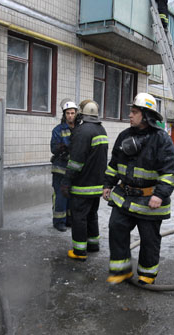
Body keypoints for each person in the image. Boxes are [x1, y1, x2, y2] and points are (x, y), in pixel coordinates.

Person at [103, 93, 174, 285]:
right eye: (131, 112)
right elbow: (114, 164)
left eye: (134, 112)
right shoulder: (124, 136)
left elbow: (170, 171)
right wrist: (108, 184)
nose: (130, 115)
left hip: (149, 201)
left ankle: (147, 273)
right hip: (124, 197)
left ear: (145, 115)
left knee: (149, 239)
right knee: (116, 229)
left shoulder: (161, 139)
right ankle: (121, 271)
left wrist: (160, 194)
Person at [61, 100, 108, 261]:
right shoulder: (101, 129)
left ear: (82, 113)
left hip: (83, 186)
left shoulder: (82, 131)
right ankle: (93, 245)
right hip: (97, 185)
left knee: (79, 217)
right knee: (92, 215)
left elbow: (76, 162)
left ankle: (79, 251)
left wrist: (67, 180)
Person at [50, 99, 78, 232]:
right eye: (68, 113)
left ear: (76, 114)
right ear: (64, 114)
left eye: (72, 113)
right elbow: (53, 148)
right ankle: (58, 221)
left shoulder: (79, 129)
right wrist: (64, 147)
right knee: (60, 195)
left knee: (71, 195)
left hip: (73, 169)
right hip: (60, 169)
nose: (70, 116)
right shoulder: (58, 130)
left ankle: (68, 220)